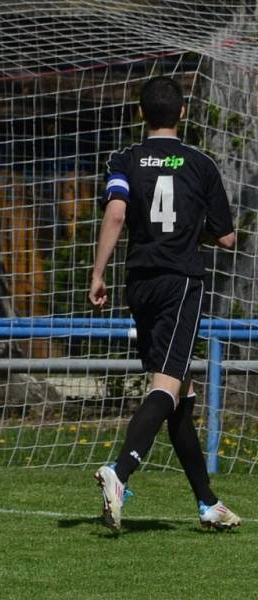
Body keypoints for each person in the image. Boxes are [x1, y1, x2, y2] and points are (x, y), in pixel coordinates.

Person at [88, 76, 241, 532]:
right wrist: (196, 232)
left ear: (141, 113)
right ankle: (120, 472)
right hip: (181, 283)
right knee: (167, 385)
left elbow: (116, 213)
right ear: (183, 113)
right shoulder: (199, 163)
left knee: (181, 393)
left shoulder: (125, 158)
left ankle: (207, 503)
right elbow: (229, 237)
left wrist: (97, 273)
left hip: (140, 282)